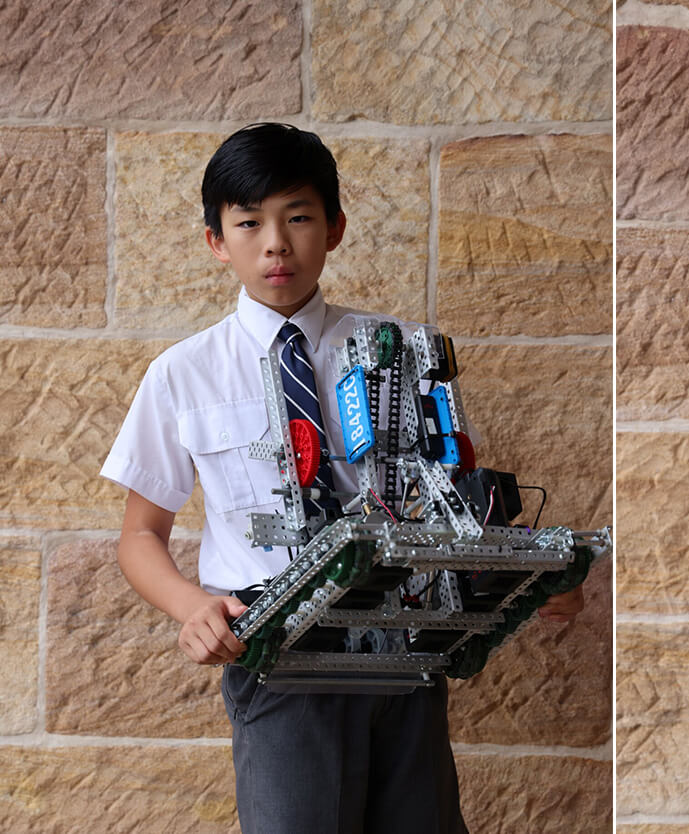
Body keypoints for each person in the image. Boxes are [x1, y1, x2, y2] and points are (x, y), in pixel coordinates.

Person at [101, 123, 585, 833]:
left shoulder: (404, 353)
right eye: (249, 223)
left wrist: (522, 573)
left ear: (333, 229)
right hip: (281, 662)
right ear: (216, 240)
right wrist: (190, 607)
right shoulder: (183, 375)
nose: (275, 243)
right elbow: (140, 534)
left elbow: (449, 493)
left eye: (297, 217)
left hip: (406, 657)